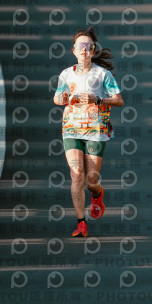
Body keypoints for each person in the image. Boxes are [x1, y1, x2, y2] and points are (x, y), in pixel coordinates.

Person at [53, 27, 124, 237]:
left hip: (96, 131)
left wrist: (98, 100)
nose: (84, 50)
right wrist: (61, 99)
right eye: (80, 46)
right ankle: (81, 223)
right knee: (76, 175)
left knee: (90, 180)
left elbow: (119, 100)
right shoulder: (66, 74)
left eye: (88, 46)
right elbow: (57, 97)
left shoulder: (103, 75)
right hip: (71, 129)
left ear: (93, 50)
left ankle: (97, 194)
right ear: (74, 50)